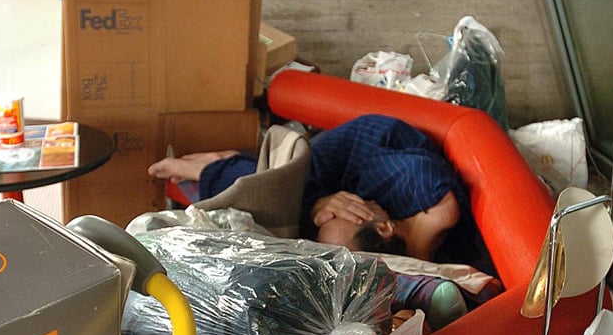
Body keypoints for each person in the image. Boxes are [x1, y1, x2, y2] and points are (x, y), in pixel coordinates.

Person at [148, 114, 490, 270]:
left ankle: (233, 164)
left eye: (329, 219)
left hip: (343, 180)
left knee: (271, 202)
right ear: (383, 226)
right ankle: (211, 166)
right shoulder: (418, 184)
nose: (328, 216)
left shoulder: (392, 256)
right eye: (342, 214)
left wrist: (317, 208)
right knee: (279, 186)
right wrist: (319, 201)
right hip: (363, 145)